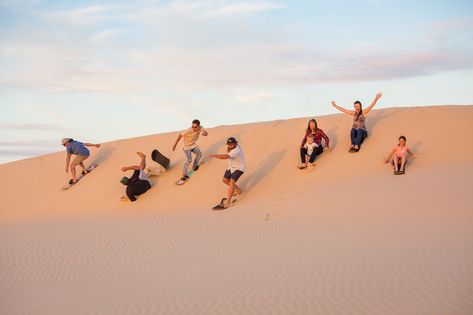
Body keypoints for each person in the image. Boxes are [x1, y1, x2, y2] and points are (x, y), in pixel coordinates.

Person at [209, 137, 246, 209]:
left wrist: (214, 155)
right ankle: (238, 190)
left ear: (236, 143)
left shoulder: (236, 150)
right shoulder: (231, 147)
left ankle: (227, 202)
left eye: (232, 144)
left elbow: (225, 156)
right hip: (231, 167)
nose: (230, 145)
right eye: (229, 144)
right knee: (225, 180)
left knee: (232, 182)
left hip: (239, 168)